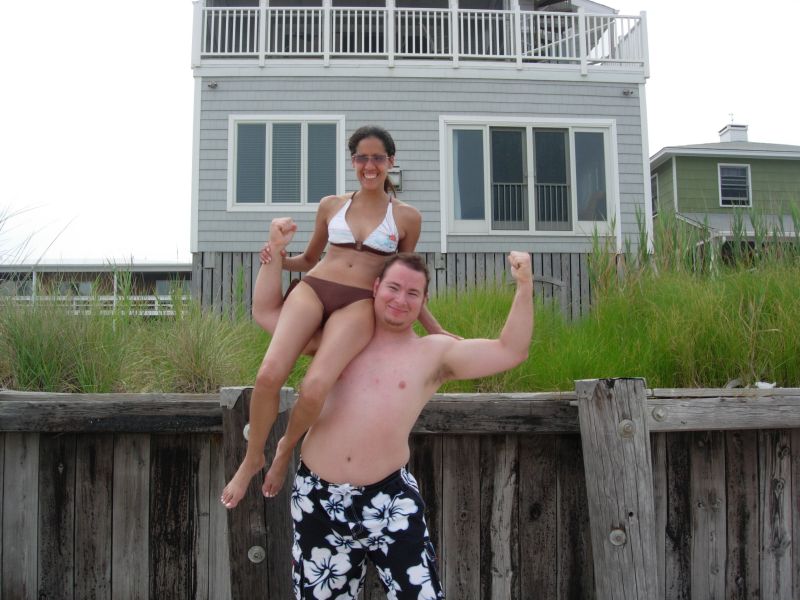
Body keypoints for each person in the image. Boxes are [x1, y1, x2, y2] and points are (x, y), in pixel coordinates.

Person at [257, 222, 534, 599]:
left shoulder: (434, 354)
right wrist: (274, 255)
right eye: (393, 287)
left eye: (412, 293)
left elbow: (510, 350)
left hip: (388, 500)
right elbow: (268, 315)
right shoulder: (338, 337)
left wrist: (524, 285)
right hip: (317, 498)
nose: (400, 300)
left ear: (423, 301)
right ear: (375, 288)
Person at [221, 126, 448, 509]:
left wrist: (437, 331)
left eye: (378, 158)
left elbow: (404, 278)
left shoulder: (407, 217)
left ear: (391, 161)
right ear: (353, 161)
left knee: (314, 387)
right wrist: (276, 256)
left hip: (358, 302)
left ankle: (282, 451)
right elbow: (308, 260)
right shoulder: (331, 205)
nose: (369, 165)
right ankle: (251, 459)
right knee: (268, 375)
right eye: (361, 157)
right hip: (315, 287)